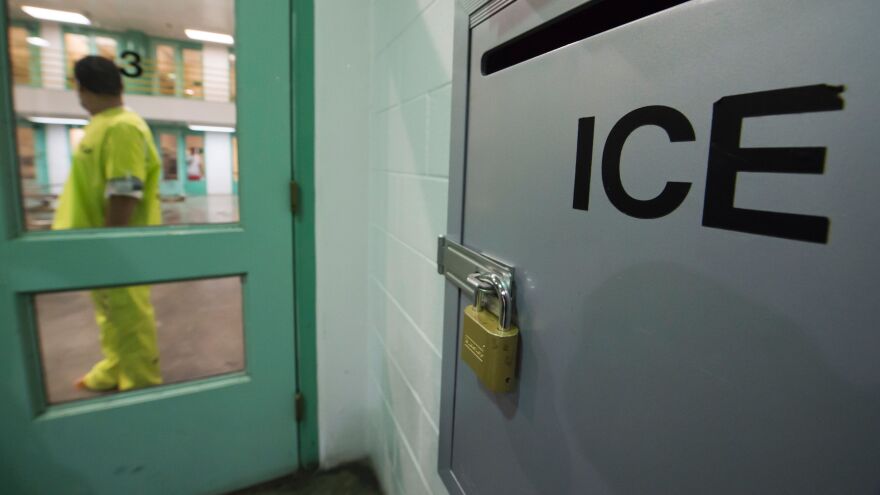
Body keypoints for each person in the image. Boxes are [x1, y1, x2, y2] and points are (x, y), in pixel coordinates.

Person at [52, 55, 162, 392]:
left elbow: (125, 191)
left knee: (129, 316)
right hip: (96, 243)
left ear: (80, 88)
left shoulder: (122, 127)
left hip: (116, 244)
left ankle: (141, 383)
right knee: (109, 314)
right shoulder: (101, 125)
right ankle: (115, 368)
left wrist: (113, 242)